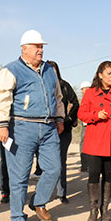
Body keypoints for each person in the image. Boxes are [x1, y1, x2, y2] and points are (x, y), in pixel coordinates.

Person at [0, 30, 65, 221]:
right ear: (24, 49)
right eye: (36, 46)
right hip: (21, 127)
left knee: (53, 169)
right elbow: (1, 98)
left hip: (49, 127)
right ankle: (17, 216)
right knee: (20, 175)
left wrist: (59, 118)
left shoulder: (50, 69)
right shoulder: (11, 70)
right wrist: (2, 124)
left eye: (42, 46)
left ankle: (39, 202)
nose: (40, 49)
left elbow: (57, 96)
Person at [78, 61, 111, 221]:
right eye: (109, 73)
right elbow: (81, 113)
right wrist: (95, 115)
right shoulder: (90, 93)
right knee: (94, 175)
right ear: (100, 75)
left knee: (109, 175)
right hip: (95, 141)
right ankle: (93, 210)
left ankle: (105, 209)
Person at [47, 60, 79, 204]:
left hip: (64, 130)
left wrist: (68, 119)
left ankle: (61, 193)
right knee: (46, 163)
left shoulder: (65, 86)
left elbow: (75, 104)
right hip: (46, 130)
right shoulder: (40, 85)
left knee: (61, 162)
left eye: (53, 70)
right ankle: (45, 193)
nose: (51, 73)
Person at [79, 81, 91, 172]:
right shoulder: (83, 99)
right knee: (83, 144)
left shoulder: (92, 98)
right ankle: (84, 164)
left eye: (84, 89)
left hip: (91, 124)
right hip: (85, 125)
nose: (83, 91)